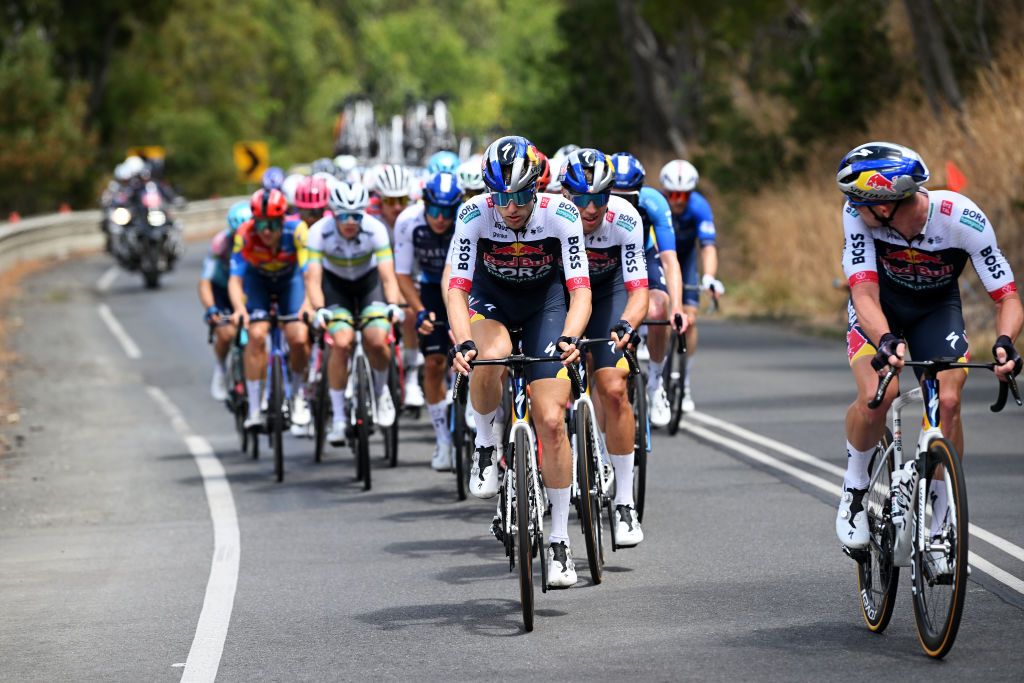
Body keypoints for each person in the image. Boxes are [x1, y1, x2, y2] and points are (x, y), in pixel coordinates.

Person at [833, 141, 1022, 553]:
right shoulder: (857, 218)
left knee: (949, 401)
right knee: (877, 395)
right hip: (881, 309)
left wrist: (1006, 342)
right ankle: (856, 489)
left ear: (885, 204)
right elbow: (863, 294)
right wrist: (885, 339)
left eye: (859, 200)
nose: (851, 207)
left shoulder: (963, 220)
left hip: (937, 310)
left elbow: (1007, 297)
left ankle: (940, 517)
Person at [448, 135, 591, 588]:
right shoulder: (473, 213)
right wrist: (462, 342)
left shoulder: (561, 214)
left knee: (551, 420)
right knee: (488, 357)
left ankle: (559, 540)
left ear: (538, 188)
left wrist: (571, 336)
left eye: (523, 194)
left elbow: (581, 289)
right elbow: (456, 288)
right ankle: (487, 444)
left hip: (546, 305)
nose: (512, 207)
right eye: (502, 196)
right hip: (492, 302)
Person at [560, 149, 649, 546]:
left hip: (608, 293)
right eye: (580, 198)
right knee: (549, 386)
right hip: (559, 295)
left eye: (599, 197)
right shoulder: (551, 218)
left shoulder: (625, 219)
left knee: (614, 388)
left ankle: (625, 502)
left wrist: (628, 324)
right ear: (565, 195)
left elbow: (639, 290)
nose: (590, 208)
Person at [304, 182, 405, 444]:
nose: (350, 222)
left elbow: (387, 276)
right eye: (343, 216)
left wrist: (392, 303)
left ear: (364, 213)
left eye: (356, 216)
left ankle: (382, 392)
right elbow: (313, 279)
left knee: (377, 339)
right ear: (333, 214)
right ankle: (338, 418)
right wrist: (318, 309)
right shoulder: (318, 232)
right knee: (341, 342)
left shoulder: (375, 229)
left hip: (368, 284)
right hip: (336, 287)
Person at [611, 153, 687, 427]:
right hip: (606, 262)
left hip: (642, 257)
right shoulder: (592, 205)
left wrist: (677, 306)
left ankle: (656, 382)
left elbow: (669, 259)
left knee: (658, 307)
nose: (621, 206)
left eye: (628, 199)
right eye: (614, 198)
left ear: (639, 193)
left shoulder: (653, 202)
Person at [394, 172, 463, 470]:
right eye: (434, 210)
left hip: (463, 286)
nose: (440, 219)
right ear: (424, 205)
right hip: (430, 288)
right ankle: (442, 440)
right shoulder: (408, 222)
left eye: (448, 212)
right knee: (434, 362)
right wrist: (420, 310)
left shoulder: (467, 220)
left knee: (475, 355)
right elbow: (402, 274)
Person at [228, 189, 312, 431]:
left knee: (298, 336)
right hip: (259, 282)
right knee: (255, 335)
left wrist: (308, 303)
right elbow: (235, 279)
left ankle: (297, 395)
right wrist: (239, 308)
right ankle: (254, 408)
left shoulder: (296, 230)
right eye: (261, 224)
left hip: (290, 282)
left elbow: (308, 272)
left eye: (273, 224)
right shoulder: (245, 234)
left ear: (282, 220)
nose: (266, 231)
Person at [659, 159, 723, 413]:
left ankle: (684, 384)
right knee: (663, 318)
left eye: (684, 194)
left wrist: (708, 277)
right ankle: (656, 374)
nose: (678, 200)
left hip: (685, 263)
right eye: (673, 194)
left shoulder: (699, 207)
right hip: (659, 259)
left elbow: (707, 247)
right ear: (665, 191)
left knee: (690, 320)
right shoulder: (656, 204)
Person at [369, 163, 425, 409]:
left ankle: (411, 377)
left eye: (401, 199)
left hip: (407, 275)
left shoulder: (414, 217)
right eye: (390, 201)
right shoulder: (370, 220)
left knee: (412, 314)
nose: (397, 207)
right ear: (379, 199)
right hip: (377, 279)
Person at [200, 201, 251, 400]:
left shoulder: (262, 240)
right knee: (226, 332)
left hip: (247, 288)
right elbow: (205, 282)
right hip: (222, 289)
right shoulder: (220, 243)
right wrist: (211, 309)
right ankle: (221, 369)